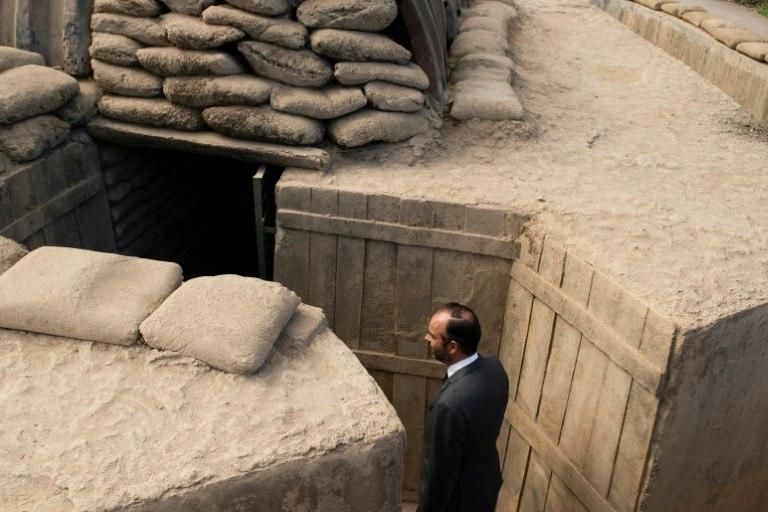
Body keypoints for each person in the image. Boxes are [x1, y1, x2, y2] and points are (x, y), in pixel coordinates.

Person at [417, 302, 509, 512]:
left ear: (452, 346)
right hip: (485, 486)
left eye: (432, 335)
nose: (426, 338)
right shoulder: (495, 367)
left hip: (460, 502)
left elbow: (439, 478)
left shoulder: (449, 406)